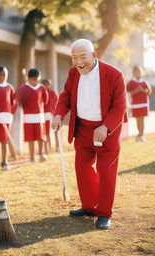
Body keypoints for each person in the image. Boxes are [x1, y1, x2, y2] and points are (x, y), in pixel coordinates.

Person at [52, 39, 127, 229]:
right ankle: (89, 207)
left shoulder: (114, 75)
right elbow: (65, 97)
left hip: (106, 132)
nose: (78, 62)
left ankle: (104, 213)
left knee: (106, 172)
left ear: (94, 55)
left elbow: (120, 107)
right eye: (74, 58)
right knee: (83, 169)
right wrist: (58, 114)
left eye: (82, 57)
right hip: (82, 129)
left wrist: (106, 127)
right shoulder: (72, 73)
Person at [16, 68, 48, 162]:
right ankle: (32, 156)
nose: (35, 81)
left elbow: (45, 100)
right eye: (33, 79)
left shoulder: (42, 88)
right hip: (28, 117)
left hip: (39, 116)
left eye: (37, 79)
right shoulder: (22, 88)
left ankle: (41, 153)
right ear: (28, 79)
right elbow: (18, 100)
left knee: (40, 137)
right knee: (31, 138)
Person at [127, 65, 152, 142]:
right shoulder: (131, 82)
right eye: (136, 71)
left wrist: (143, 90)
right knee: (138, 120)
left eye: (140, 71)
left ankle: (141, 135)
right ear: (134, 73)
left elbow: (149, 92)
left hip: (144, 104)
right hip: (136, 105)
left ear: (142, 72)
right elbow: (128, 93)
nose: (138, 73)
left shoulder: (144, 82)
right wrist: (137, 90)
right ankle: (139, 135)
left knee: (142, 120)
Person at [42, 79, 59, 154]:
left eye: (47, 84)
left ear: (50, 84)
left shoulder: (53, 92)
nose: (46, 86)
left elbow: (58, 102)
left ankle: (57, 147)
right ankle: (48, 148)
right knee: (46, 132)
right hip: (45, 114)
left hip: (53, 114)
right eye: (44, 84)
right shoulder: (42, 93)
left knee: (56, 131)